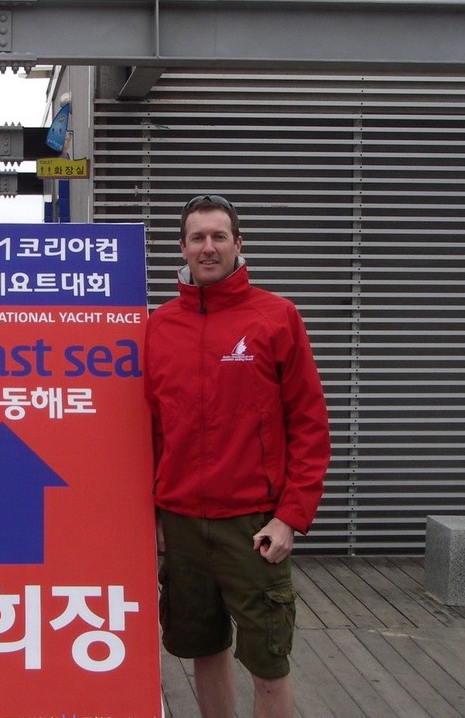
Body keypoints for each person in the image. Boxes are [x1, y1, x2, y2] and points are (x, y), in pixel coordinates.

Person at [144, 195, 330, 718]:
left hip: (253, 525)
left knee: (268, 664)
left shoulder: (276, 317)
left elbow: (310, 425)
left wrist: (291, 516)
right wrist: (155, 512)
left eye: (218, 236)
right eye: (198, 238)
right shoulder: (159, 327)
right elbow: (154, 428)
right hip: (181, 523)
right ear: (181, 247)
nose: (208, 247)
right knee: (204, 650)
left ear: (238, 245)